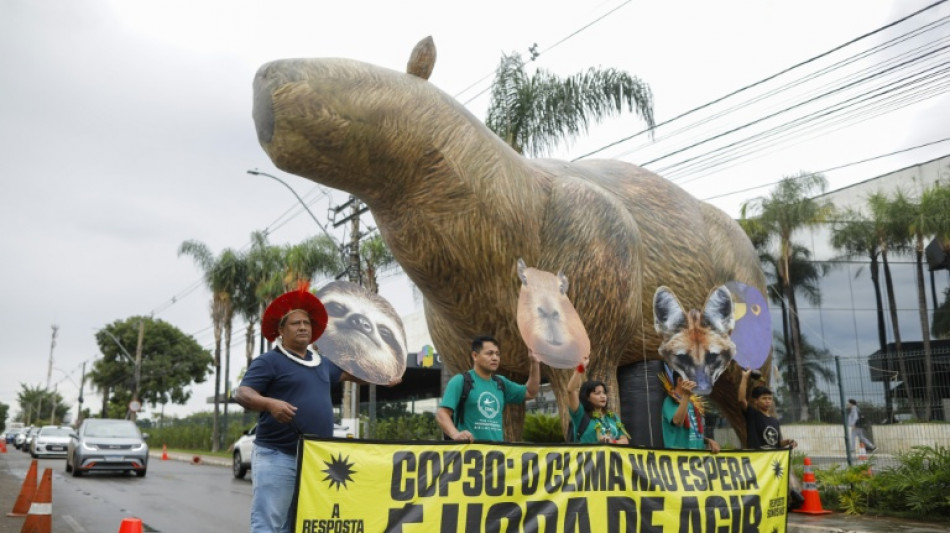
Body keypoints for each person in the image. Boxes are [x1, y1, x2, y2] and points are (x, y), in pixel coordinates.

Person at [234, 284, 397, 533]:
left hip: (313, 458)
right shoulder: (269, 361)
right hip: (277, 455)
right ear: (280, 330)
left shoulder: (322, 364)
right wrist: (270, 403)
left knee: (299, 523)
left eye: (307, 324)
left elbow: (355, 374)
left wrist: (385, 377)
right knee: (269, 523)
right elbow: (243, 393)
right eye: (295, 323)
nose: (302, 327)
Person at [437, 335, 541, 442]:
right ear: (475, 355)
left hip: (495, 455)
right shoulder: (460, 381)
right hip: (468, 454)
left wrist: (535, 363)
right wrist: (456, 434)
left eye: (497, 354)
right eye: (489, 353)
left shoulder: (501, 383)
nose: (495, 358)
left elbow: (530, 392)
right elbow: (442, 413)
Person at [566, 355, 629, 443]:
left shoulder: (613, 417)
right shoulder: (580, 415)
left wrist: (612, 442)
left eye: (604, 393)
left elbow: (625, 440)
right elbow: (570, 390)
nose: (603, 396)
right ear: (587, 397)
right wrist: (580, 367)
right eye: (597, 393)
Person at [738, 368, 797, 450]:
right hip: (757, 459)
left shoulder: (775, 421)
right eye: (764, 398)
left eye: (770, 398)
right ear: (756, 401)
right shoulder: (752, 414)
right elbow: (741, 400)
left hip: (771, 460)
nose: (768, 401)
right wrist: (744, 378)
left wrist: (788, 441)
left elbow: (777, 444)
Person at [661, 371, 720, 452]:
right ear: (680, 380)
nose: (694, 382)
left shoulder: (691, 403)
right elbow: (677, 421)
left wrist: (708, 441)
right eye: (690, 378)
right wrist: (686, 395)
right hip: (679, 458)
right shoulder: (669, 401)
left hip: (697, 457)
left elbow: (693, 432)